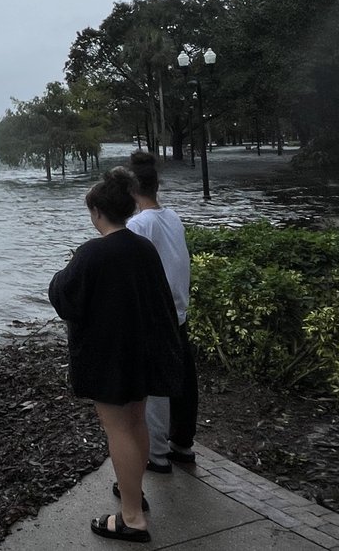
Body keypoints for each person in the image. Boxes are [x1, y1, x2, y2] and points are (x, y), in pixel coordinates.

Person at [49, 167, 183, 543]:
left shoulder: (93, 252)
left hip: (110, 356)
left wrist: (62, 273)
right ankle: (132, 492)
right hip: (143, 351)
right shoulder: (142, 247)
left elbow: (64, 297)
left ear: (97, 212)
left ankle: (131, 518)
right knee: (136, 422)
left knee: (118, 427)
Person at [126, 150, 198, 473]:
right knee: (182, 380)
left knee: (155, 388)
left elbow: (131, 274)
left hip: (156, 315)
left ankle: (156, 456)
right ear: (157, 186)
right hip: (178, 309)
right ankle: (182, 444)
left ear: (132, 190)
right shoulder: (172, 218)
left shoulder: (139, 225)